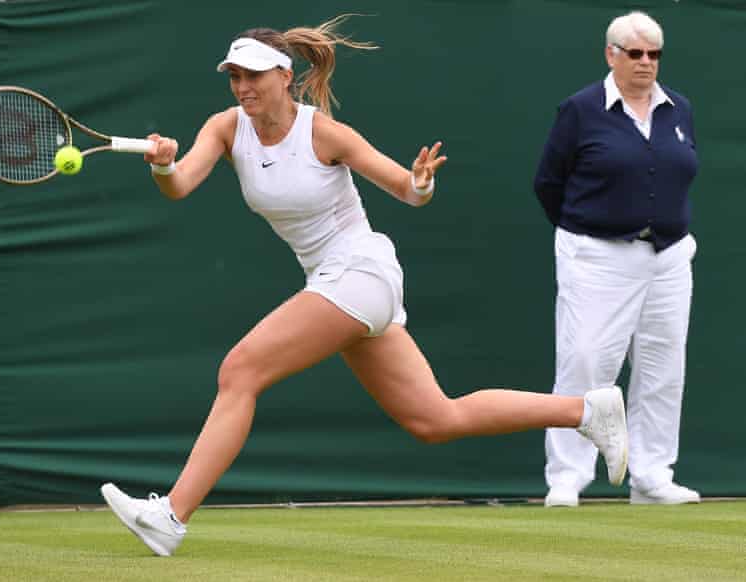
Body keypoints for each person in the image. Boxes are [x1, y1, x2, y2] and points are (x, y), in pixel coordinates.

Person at [100, 15, 628, 556]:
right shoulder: (226, 127)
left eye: (254, 75)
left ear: (285, 75)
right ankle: (587, 411)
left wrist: (421, 183)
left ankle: (171, 515)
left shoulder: (324, 133)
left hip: (361, 273)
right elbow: (181, 183)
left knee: (240, 369)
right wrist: (163, 166)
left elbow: (406, 187)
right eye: (235, 76)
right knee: (435, 419)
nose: (243, 87)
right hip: (333, 282)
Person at [534, 11, 700, 507]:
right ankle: (567, 477)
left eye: (654, 54)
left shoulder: (678, 109)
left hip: (668, 256)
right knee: (584, 361)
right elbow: (549, 183)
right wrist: (590, 231)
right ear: (612, 54)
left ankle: (651, 476)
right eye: (635, 53)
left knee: (663, 365)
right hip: (596, 255)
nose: (646, 62)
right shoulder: (581, 109)